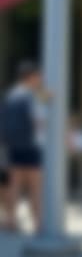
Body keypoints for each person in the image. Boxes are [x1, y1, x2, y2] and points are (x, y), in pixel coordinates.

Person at [2, 60, 46, 233]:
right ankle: (38, 223)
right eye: (38, 75)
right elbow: (39, 121)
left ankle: (11, 219)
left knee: (15, 184)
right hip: (31, 145)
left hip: (13, 145)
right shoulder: (32, 96)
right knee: (35, 186)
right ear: (31, 77)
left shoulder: (11, 95)